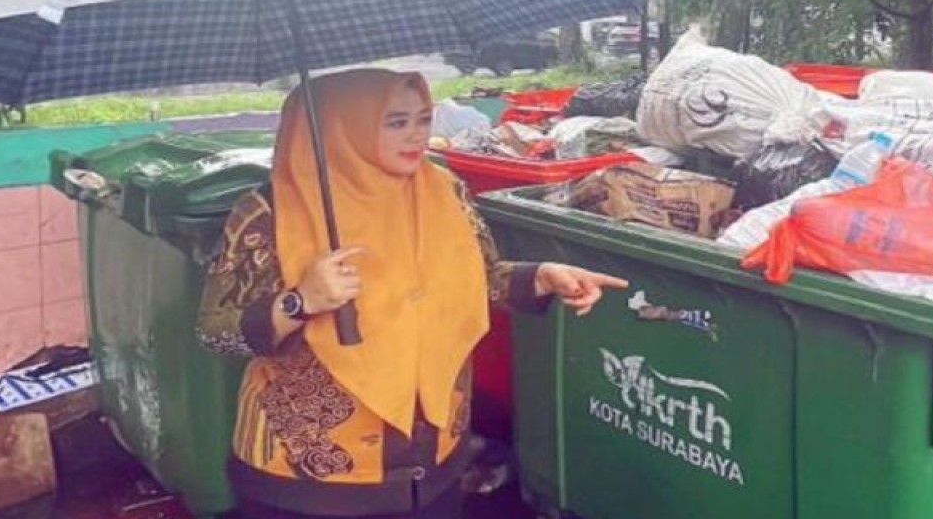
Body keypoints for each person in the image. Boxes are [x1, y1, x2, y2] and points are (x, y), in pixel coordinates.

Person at [196, 68, 627, 519]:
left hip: (432, 460)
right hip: (306, 478)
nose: (417, 136)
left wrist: (538, 277)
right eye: (396, 122)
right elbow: (217, 334)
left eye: (423, 118)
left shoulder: (444, 191)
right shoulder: (271, 212)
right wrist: (300, 301)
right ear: (341, 128)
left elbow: (474, 278)